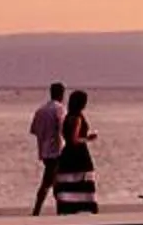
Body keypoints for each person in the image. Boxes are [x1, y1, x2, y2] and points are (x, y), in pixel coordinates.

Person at [52, 90, 99, 215]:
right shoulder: (77, 118)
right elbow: (74, 139)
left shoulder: (68, 117)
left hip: (67, 153)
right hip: (79, 154)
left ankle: (68, 205)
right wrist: (88, 138)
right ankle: (82, 205)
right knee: (81, 179)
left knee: (68, 180)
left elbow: (66, 136)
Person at [28, 83, 66, 215]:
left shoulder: (41, 110)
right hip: (57, 150)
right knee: (50, 182)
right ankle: (39, 210)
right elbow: (63, 128)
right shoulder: (59, 109)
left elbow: (34, 130)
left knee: (53, 181)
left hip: (44, 151)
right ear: (61, 94)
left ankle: (44, 209)